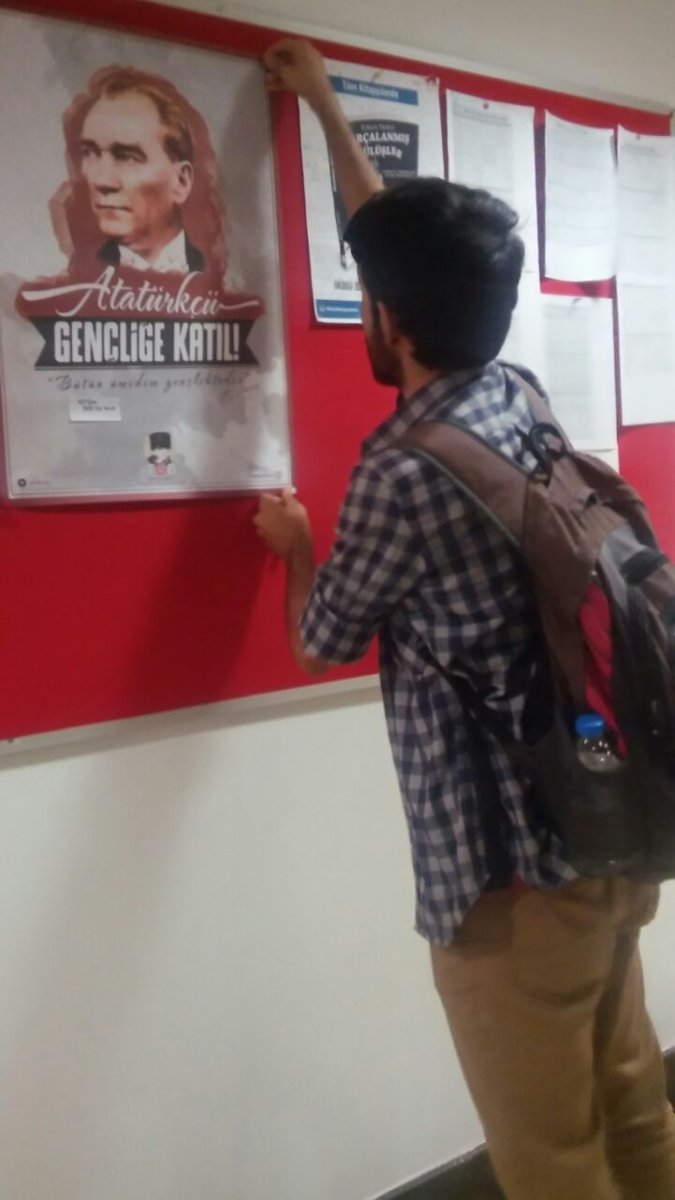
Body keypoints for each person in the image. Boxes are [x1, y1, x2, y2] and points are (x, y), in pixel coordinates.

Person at [254, 39, 675, 1200]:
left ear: (388, 317)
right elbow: (396, 243)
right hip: (608, 830)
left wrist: (297, 549)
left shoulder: (401, 470)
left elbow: (322, 640)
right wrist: (326, 105)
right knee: (632, 1096)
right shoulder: (518, 391)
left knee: (550, 1156)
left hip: (508, 883)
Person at [69, 67, 207, 274]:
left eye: (127, 157)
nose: (101, 180)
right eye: (90, 152)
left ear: (181, 181)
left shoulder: (220, 274)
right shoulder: (76, 272)